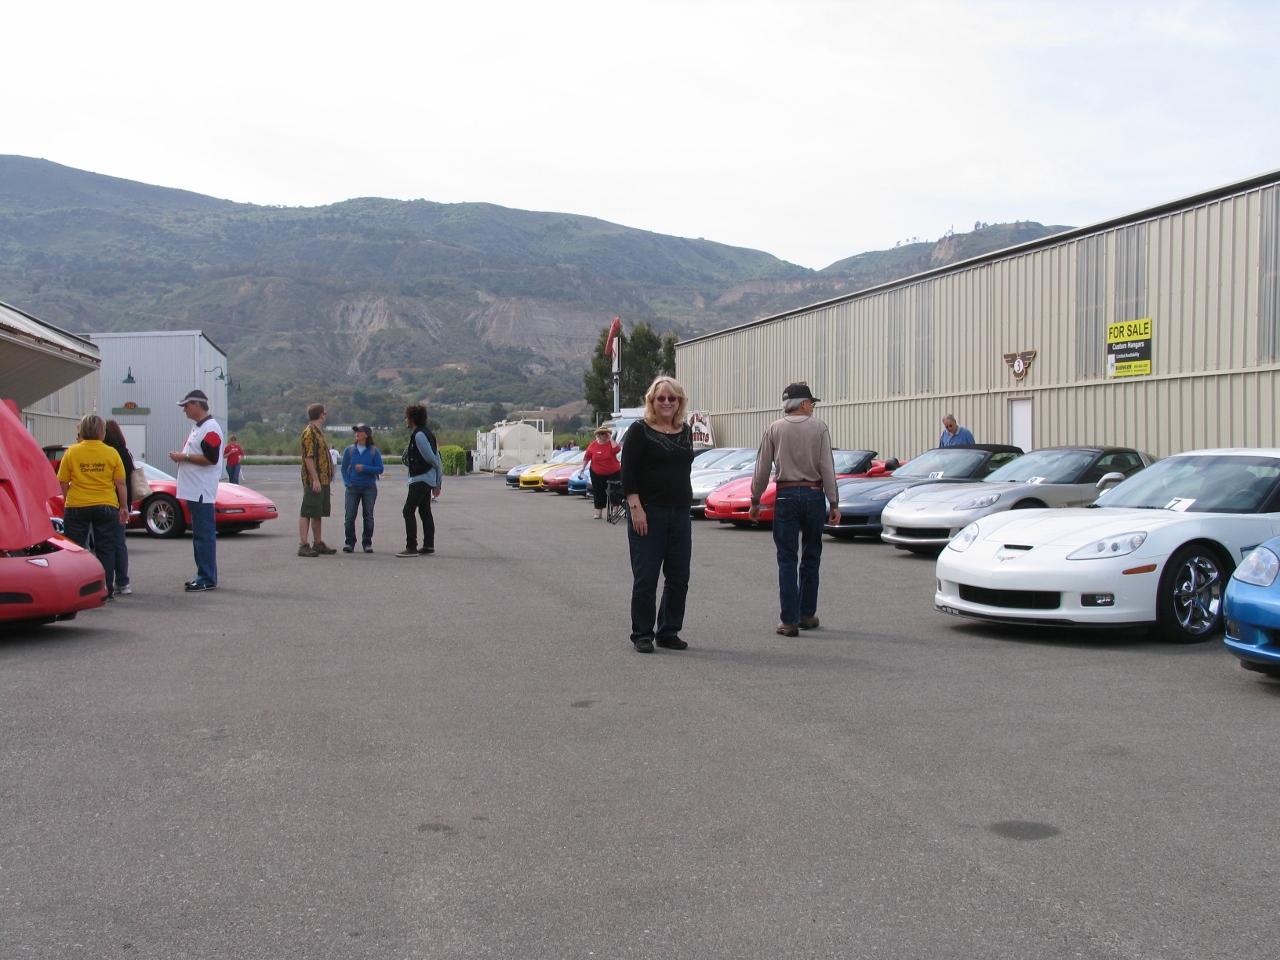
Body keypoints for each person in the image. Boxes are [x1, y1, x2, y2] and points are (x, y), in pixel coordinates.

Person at [748, 383, 839, 637]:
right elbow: (827, 467)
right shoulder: (819, 427)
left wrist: (755, 500)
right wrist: (834, 502)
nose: (812, 407)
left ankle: (789, 620)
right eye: (811, 402)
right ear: (802, 403)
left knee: (787, 558)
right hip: (813, 493)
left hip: (786, 494)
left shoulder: (774, 429)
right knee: (811, 555)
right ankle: (807, 613)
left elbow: (762, 468)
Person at [620, 376, 695, 654]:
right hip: (648, 512)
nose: (666, 402)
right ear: (652, 401)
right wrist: (636, 509)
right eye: (660, 398)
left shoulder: (685, 431)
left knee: (678, 576)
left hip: (680, 513)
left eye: (672, 398)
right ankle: (642, 633)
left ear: (679, 402)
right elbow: (627, 473)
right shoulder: (640, 431)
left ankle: (668, 630)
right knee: (646, 576)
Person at [58, 414, 128, 601]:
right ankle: (106, 590)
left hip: (77, 504)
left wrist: (68, 500)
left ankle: (77, 589)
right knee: (106, 548)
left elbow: (63, 480)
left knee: (75, 549)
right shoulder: (111, 453)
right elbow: (120, 483)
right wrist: (123, 506)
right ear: (101, 432)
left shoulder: (72, 452)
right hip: (106, 504)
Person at [169, 389, 223, 591]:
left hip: (201, 490)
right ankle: (204, 574)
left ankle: (206, 577)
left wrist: (185, 457)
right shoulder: (199, 427)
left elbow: (212, 459)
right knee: (200, 535)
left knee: (203, 535)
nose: (184, 410)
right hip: (194, 490)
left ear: (197, 405)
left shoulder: (210, 428)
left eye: (186, 406)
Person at [397, 404, 443, 557]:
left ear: (412, 418)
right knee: (425, 512)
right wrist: (437, 482)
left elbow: (433, 458)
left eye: (407, 417)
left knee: (408, 511)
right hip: (428, 479)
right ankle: (428, 545)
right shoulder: (427, 433)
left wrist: (437, 476)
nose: (405, 420)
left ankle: (411, 546)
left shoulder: (419, 435)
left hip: (420, 479)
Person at [102, 419, 136, 596]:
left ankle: (107, 583)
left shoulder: (106, 453)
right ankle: (123, 582)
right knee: (119, 542)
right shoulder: (125, 452)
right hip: (123, 501)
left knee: (104, 543)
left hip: (108, 500)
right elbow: (129, 477)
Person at [298, 403, 336, 557]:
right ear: (321, 415)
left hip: (323, 479)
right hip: (314, 480)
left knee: (317, 511)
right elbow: (308, 457)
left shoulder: (317, 432)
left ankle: (318, 542)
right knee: (307, 510)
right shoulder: (310, 433)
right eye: (324, 413)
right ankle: (304, 544)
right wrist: (315, 479)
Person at [341, 423, 383, 553]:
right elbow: (343, 468)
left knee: (368, 516)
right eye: (356, 431)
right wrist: (347, 482)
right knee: (349, 517)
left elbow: (380, 468)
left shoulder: (373, 451)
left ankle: (367, 543)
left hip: (369, 487)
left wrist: (364, 468)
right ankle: (349, 542)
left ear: (367, 434)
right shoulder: (350, 450)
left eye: (360, 431)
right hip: (353, 487)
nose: (357, 433)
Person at [582, 425, 622, 519]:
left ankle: (615, 510)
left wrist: (610, 438)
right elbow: (587, 456)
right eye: (602, 434)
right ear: (598, 435)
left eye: (605, 433)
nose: (604, 435)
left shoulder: (611, 443)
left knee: (615, 491)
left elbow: (617, 449)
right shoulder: (593, 445)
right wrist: (583, 467)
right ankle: (598, 512)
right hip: (597, 472)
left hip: (613, 471)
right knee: (598, 491)